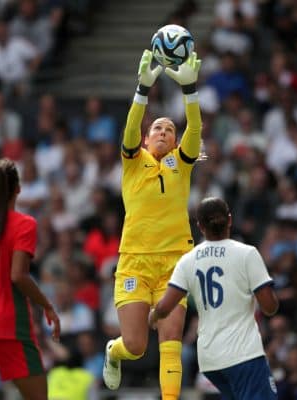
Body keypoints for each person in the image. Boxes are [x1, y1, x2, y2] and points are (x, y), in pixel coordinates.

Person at [102, 49, 202, 400]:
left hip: (175, 262)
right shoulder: (133, 161)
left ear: (175, 142)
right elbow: (130, 128)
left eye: (169, 129)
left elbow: (196, 128)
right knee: (135, 345)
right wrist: (142, 90)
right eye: (157, 128)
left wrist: (190, 90)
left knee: (171, 337)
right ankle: (113, 352)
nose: (163, 131)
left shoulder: (182, 163)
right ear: (147, 139)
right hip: (135, 261)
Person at [149, 197, 279, 400]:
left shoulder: (187, 260)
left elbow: (165, 307)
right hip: (243, 355)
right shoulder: (246, 254)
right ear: (229, 220)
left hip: (210, 361)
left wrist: (153, 316)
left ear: (200, 226)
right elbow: (270, 307)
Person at [0, 158, 61, 400]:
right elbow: (18, 275)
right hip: (9, 325)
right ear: (17, 188)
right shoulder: (24, 224)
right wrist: (47, 305)